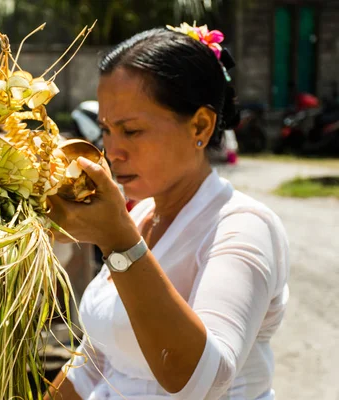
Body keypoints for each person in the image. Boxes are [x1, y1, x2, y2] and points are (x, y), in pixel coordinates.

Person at [45, 25, 290, 400]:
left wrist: (118, 243)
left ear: (200, 126)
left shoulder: (242, 225)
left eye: (132, 131)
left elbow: (205, 380)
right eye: (107, 129)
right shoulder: (142, 215)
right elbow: (97, 359)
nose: (113, 151)